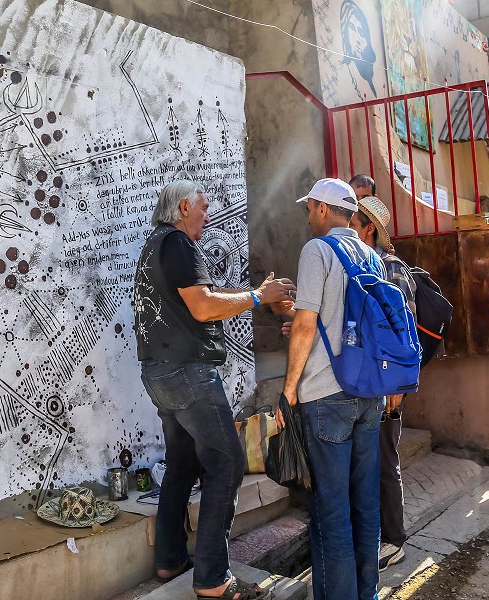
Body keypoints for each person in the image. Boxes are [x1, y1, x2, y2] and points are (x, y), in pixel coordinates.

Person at [134, 179, 294, 600]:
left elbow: (203, 294)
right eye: (203, 208)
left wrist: (254, 294)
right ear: (184, 206)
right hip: (188, 375)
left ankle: (170, 559)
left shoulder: (156, 245)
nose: (207, 215)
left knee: (183, 465)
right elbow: (204, 306)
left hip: (161, 374)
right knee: (226, 464)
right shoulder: (178, 245)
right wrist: (259, 297)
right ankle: (212, 580)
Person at [277, 178, 383, 600]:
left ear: (323, 209)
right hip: (368, 396)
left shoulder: (317, 251)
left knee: (331, 510)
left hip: (325, 396)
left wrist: (288, 389)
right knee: (364, 503)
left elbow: (305, 324)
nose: (308, 216)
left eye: (310, 209)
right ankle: (366, 592)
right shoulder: (369, 254)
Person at [350, 196, 415, 572]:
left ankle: (395, 540)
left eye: (354, 224)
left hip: (386, 387)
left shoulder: (390, 268)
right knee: (372, 462)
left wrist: (396, 386)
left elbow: (402, 333)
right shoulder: (363, 265)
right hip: (367, 383)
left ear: (368, 229)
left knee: (385, 461)